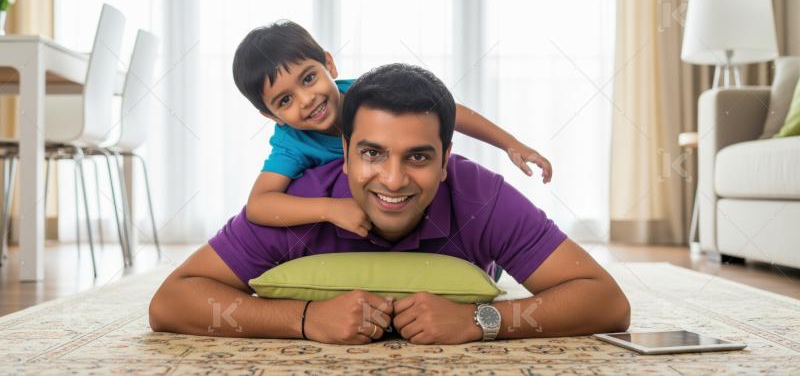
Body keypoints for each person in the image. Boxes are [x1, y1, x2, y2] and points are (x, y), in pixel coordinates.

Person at [149, 63, 630, 345]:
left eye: (418, 157)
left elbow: (606, 302)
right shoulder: (300, 201)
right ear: (344, 153)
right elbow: (172, 302)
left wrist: (481, 321)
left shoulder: (481, 195)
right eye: (372, 153)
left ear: (445, 159)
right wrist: (304, 319)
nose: (393, 180)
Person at [232, 20, 552, 237]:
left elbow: (445, 109)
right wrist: (330, 209)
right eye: (285, 100)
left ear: (329, 65)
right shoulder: (292, 143)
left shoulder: (367, 95)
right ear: (272, 116)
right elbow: (259, 204)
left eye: (308, 78)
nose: (306, 100)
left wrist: (510, 143)